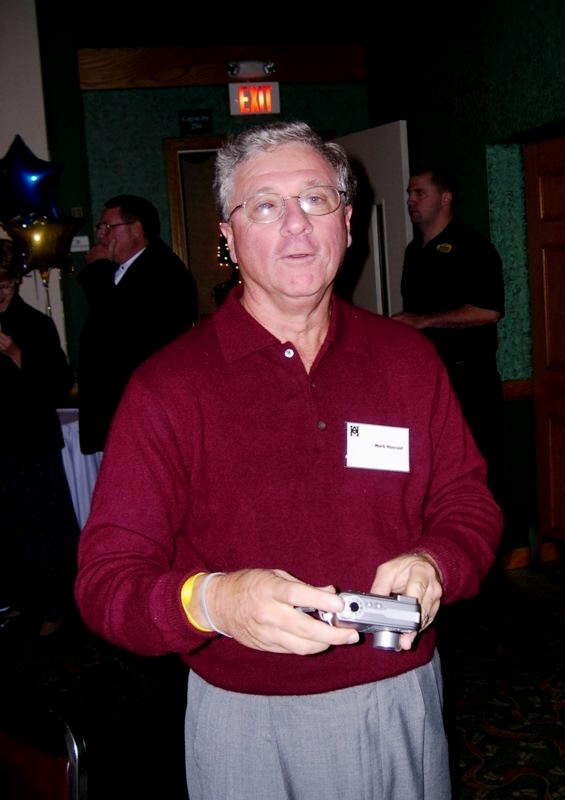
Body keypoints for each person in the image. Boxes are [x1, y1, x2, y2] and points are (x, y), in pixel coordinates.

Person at [75, 121, 503, 800]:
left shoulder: (408, 361)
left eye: (315, 200)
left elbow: (468, 503)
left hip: (401, 697)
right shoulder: (167, 387)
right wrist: (213, 601)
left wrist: (437, 561)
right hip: (247, 717)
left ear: (348, 222)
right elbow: (106, 582)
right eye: (265, 206)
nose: (297, 225)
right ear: (228, 236)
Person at [393, 165, 505, 504]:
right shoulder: (413, 251)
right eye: (409, 193)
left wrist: (423, 321)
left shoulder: (473, 247)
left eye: (420, 193)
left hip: (469, 380)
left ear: (445, 198)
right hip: (424, 379)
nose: (410, 200)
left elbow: (488, 311)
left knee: (475, 474)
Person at [76, 194, 199, 455]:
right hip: (122, 408)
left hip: (143, 409)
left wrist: (97, 270)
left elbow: (118, 327)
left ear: (136, 229)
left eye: (108, 227)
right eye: (100, 227)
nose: (100, 234)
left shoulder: (162, 272)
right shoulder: (126, 268)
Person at [0, 242, 80, 637]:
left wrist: (19, 356)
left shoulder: (34, 325)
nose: (0, 293)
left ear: (17, 282)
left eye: (5, 285)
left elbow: (58, 385)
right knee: (7, 530)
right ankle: (19, 599)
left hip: (31, 446)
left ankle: (54, 605)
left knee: (42, 529)